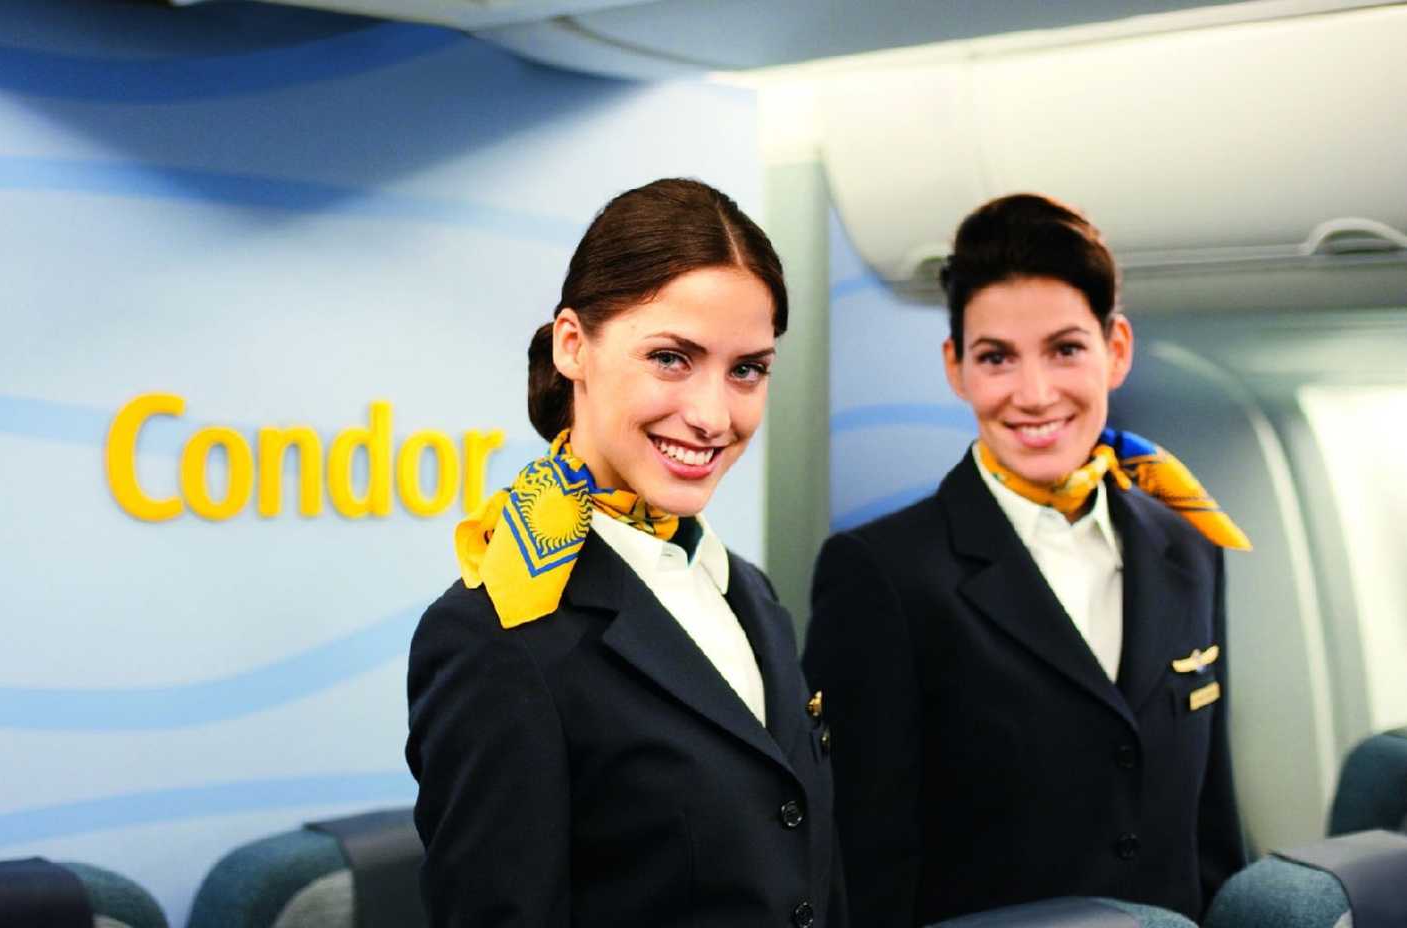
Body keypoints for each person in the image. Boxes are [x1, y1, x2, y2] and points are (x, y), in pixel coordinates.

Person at [406, 178, 844, 927]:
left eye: (747, 370)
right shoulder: (498, 637)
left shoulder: (751, 596)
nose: (712, 416)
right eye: (672, 358)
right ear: (573, 344)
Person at [803, 193, 1249, 926]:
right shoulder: (882, 574)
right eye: (996, 358)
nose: (1034, 395)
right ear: (956, 368)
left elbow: (1213, 831)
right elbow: (861, 862)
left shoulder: (1189, 547)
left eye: (1065, 349)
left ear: (1117, 350)